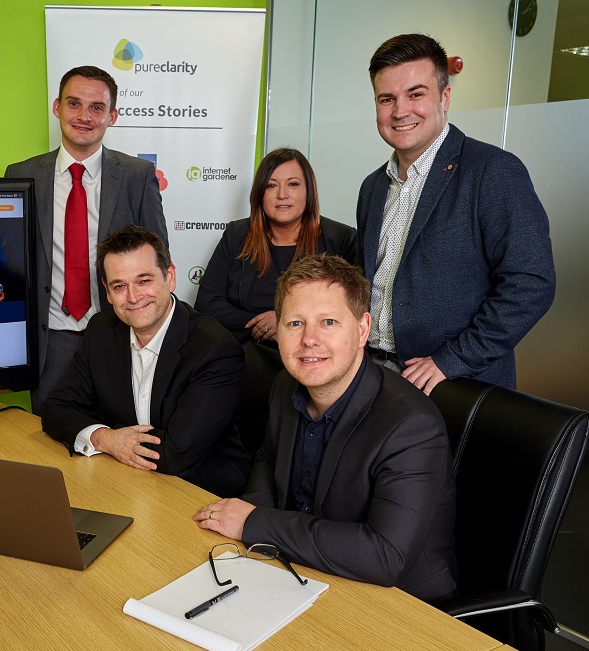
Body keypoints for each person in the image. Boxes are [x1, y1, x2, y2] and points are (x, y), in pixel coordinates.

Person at [193, 254, 457, 602]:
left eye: (328, 322)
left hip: (398, 605)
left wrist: (255, 522)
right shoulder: (286, 386)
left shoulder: (411, 427)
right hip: (303, 572)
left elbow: (384, 556)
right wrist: (249, 529)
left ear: (363, 329)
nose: (309, 340)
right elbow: (268, 460)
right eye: (295, 324)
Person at [357, 33, 555, 395]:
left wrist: (452, 360)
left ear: (444, 98)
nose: (400, 111)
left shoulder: (493, 171)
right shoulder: (372, 187)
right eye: (387, 98)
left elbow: (530, 284)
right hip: (372, 372)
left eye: (416, 94)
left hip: (453, 382)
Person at [0, 65, 167, 413]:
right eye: (74, 104)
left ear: (112, 116)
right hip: (51, 340)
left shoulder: (137, 175)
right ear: (57, 107)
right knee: (50, 439)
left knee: (118, 439)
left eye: (96, 108)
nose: (84, 116)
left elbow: (158, 258)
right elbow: (2, 257)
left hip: (119, 337)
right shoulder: (22, 175)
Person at [42, 225, 251, 497]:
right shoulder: (101, 331)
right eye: (120, 286)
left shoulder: (214, 349)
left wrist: (114, 440)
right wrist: (106, 439)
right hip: (128, 482)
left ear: (170, 276)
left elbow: (177, 455)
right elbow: (56, 407)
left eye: (144, 280)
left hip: (200, 493)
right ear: (107, 291)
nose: (133, 297)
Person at [194, 148, 357, 454]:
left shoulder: (340, 239)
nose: (282, 194)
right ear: (259, 193)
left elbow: (349, 312)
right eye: (271, 185)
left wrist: (282, 320)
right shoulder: (237, 235)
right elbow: (207, 300)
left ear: (309, 190)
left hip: (309, 363)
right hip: (242, 360)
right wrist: (261, 324)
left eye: (293, 184)